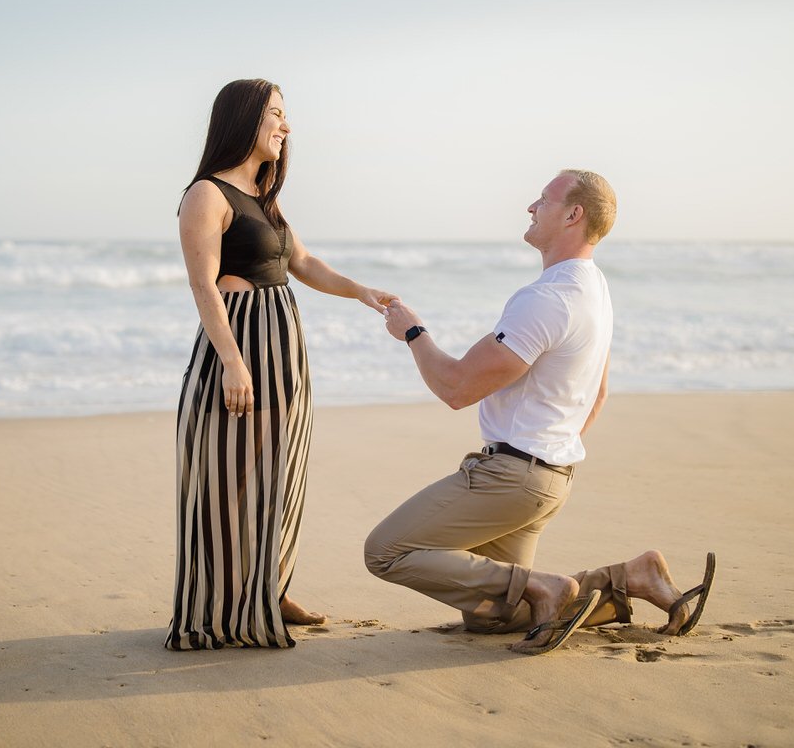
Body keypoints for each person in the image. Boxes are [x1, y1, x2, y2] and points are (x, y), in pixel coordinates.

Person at [365, 169, 714, 654]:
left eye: (543, 200)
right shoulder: (594, 290)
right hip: (553, 475)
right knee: (495, 619)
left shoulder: (547, 299)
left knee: (385, 552)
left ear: (574, 214)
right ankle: (627, 578)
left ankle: (546, 586)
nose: (531, 207)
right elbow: (600, 393)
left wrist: (413, 332)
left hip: (513, 477)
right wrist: (553, 447)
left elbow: (457, 387)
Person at [166, 79, 393, 650]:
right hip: (239, 343)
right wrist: (233, 364)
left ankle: (270, 587)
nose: (286, 126)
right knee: (228, 482)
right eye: (276, 114)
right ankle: (219, 608)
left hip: (282, 345)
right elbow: (203, 287)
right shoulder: (206, 195)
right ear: (244, 119)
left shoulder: (265, 196)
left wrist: (361, 291)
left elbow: (305, 262)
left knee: (280, 476)